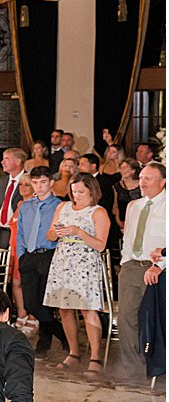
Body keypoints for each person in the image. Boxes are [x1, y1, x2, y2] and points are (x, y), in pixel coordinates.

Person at [44, 174, 111, 373]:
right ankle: (73, 352)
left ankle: (95, 357)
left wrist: (78, 231)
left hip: (85, 264)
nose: (77, 195)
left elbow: (100, 245)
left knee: (87, 309)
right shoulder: (62, 207)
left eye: (81, 191)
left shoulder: (98, 212)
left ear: (91, 190)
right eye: (74, 191)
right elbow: (48, 235)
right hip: (62, 261)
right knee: (64, 309)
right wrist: (55, 232)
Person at [108, 162, 164, 385]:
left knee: (155, 320)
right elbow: (129, 238)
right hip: (132, 267)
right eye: (141, 177)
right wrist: (126, 261)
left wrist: (160, 265)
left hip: (158, 270)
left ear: (163, 182)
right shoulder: (134, 206)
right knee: (126, 319)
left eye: (148, 178)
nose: (142, 182)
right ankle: (133, 369)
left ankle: (158, 368)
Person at [15, 168, 65, 358]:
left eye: (43, 182)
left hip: (48, 254)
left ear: (51, 182)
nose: (39, 186)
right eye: (35, 182)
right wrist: (21, 255)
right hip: (28, 256)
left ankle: (44, 345)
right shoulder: (26, 206)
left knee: (46, 302)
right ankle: (64, 335)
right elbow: (20, 233)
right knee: (30, 303)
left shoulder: (59, 206)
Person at [0, 148, 27, 252]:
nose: (2, 162)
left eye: (6, 158)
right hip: (0, 230)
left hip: (17, 232)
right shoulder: (2, 182)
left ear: (18, 161)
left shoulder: (28, 181)